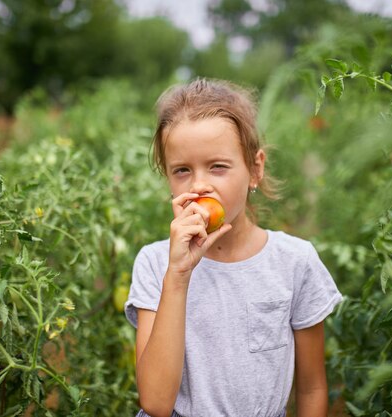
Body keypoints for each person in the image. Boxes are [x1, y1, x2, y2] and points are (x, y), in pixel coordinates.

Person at [124, 78, 343, 417]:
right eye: (182, 170)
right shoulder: (156, 263)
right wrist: (178, 275)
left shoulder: (294, 262)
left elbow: (312, 387)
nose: (199, 185)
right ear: (167, 177)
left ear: (255, 169)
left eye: (217, 167)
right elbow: (155, 402)